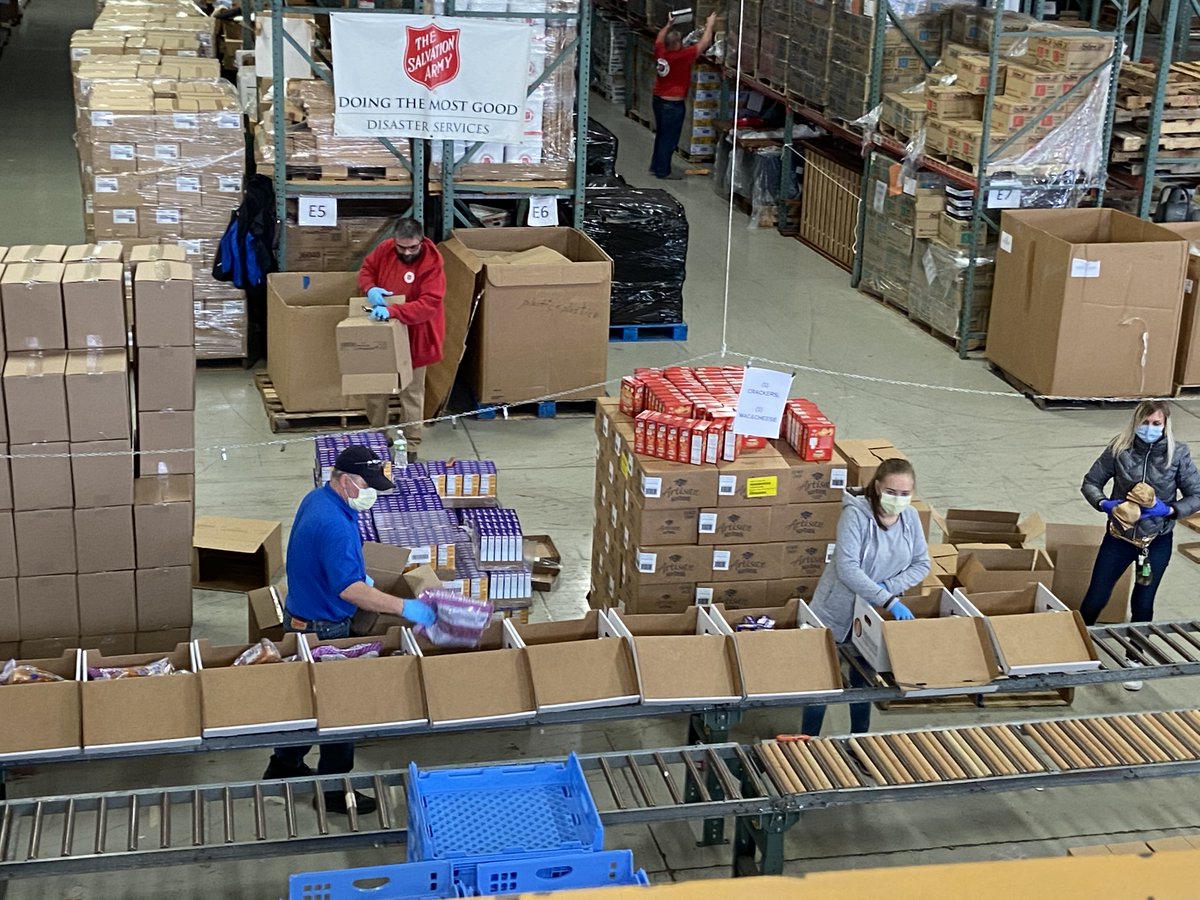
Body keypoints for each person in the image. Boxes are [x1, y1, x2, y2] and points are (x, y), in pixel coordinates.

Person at [263, 445, 437, 814]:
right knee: (341, 713)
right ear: (344, 481)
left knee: (303, 702)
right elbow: (350, 590)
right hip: (325, 628)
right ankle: (334, 793)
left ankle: (283, 768)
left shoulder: (319, 500)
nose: (372, 493)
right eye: (367, 484)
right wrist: (407, 607)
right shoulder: (334, 526)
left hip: (299, 620)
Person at [804, 458, 930, 736]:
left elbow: (922, 563)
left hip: (870, 615)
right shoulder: (856, 515)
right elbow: (847, 569)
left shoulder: (909, 518)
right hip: (836, 611)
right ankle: (807, 741)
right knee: (822, 681)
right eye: (892, 492)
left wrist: (888, 587)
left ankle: (859, 741)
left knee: (863, 680)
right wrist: (890, 600)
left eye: (905, 494)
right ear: (877, 487)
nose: (898, 500)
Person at [1080, 400, 1200, 690]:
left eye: (1156, 424)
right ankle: (1079, 648)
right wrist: (1106, 504)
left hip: (1156, 541)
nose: (1150, 429)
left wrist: (1168, 510)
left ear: (1165, 425)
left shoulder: (1178, 454)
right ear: (1136, 423)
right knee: (1096, 595)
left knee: (1143, 601)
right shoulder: (1119, 449)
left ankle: (1134, 658)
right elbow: (1090, 482)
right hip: (1119, 538)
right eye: (1144, 423)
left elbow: (1196, 495)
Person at [358, 218, 447, 461]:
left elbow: (428, 305)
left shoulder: (432, 263)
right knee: (376, 389)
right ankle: (376, 437)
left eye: (412, 248)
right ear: (394, 241)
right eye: (402, 247)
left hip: (417, 335)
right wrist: (370, 289)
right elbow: (366, 271)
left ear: (422, 241)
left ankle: (411, 445)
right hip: (384, 334)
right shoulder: (385, 250)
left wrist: (394, 311)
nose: (407, 252)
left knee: (412, 392)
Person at [650, 11, 716, 180]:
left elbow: (659, 37)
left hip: (658, 100)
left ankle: (656, 166)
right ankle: (663, 171)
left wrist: (668, 24)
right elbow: (705, 43)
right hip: (672, 106)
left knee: (661, 135)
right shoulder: (681, 56)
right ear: (677, 44)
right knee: (669, 139)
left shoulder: (660, 51)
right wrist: (710, 24)